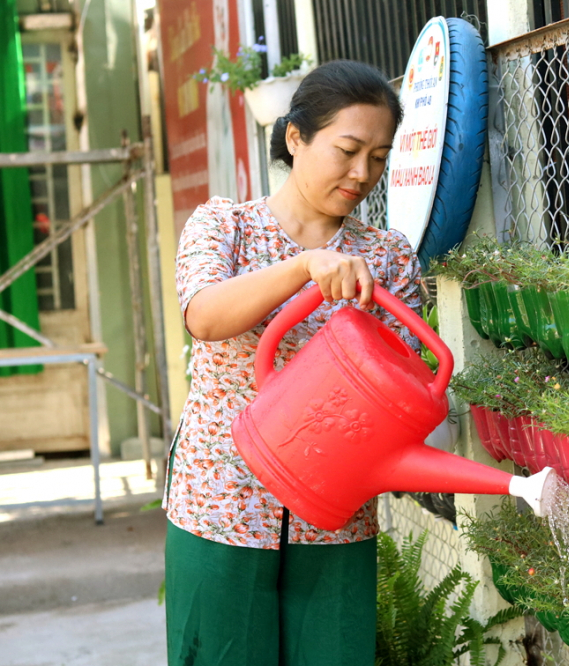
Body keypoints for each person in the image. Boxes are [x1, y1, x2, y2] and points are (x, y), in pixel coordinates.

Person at [163, 60, 420, 666]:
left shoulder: (387, 257)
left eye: (378, 157)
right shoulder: (225, 226)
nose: (363, 174)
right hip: (222, 503)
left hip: (335, 516)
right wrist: (303, 268)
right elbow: (205, 316)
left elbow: (401, 388)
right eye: (348, 150)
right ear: (295, 138)